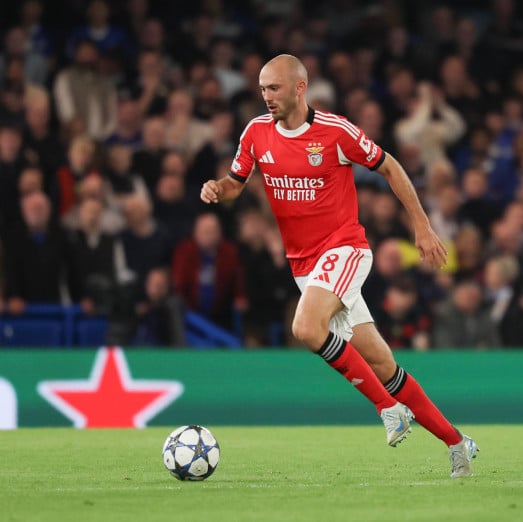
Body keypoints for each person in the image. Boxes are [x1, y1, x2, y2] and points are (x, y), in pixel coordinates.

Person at [200, 54, 477, 478]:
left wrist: (421, 225)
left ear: (300, 87)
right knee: (382, 365)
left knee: (305, 327)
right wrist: (218, 189)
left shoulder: (335, 131)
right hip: (304, 266)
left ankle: (388, 409)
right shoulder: (255, 132)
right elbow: (236, 183)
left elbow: (389, 166)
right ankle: (457, 443)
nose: (266, 96)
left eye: (274, 87)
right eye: (262, 89)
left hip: (344, 249)